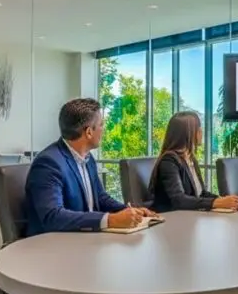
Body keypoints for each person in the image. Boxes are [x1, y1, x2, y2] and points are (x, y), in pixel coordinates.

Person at [25, 98, 153, 234]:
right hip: (54, 243)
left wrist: (130, 211)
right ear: (89, 132)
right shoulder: (48, 163)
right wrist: (110, 220)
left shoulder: (88, 158)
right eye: (101, 124)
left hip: (85, 238)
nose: (104, 130)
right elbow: (53, 217)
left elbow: (101, 198)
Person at [148, 111, 238, 213]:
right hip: (171, 218)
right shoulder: (168, 161)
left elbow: (201, 193)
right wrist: (217, 202)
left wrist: (224, 200)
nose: (201, 131)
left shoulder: (191, 159)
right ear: (188, 134)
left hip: (189, 216)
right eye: (198, 128)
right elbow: (179, 200)